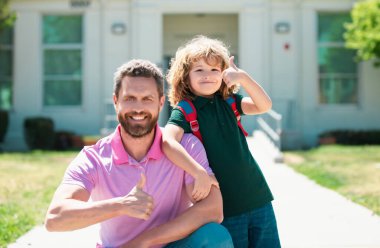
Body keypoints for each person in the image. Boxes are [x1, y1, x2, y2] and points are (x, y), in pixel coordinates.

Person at [44, 59, 233, 248]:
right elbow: (55, 218)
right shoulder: (93, 158)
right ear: (116, 101)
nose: (138, 108)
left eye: (147, 99)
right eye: (130, 98)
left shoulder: (185, 147)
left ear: (160, 103)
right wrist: (121, 205)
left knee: (215, 236)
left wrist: (143, 242)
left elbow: (212, 209)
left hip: (167, 245)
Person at [162, 35, 281, 247]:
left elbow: (263, 106)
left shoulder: (230, 102)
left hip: (259, 197)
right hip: (225, 209)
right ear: (185, 76)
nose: (208, 75)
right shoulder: (184, 110)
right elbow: (167, 142)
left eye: (214, 70)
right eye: (199, 70)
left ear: (224, 74)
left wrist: (243, 78)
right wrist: (199, 172)